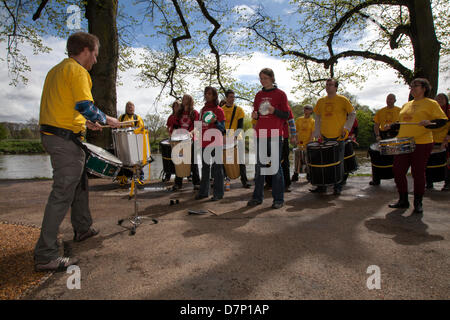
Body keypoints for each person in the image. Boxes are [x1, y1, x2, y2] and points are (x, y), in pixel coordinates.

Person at [35, 32, 120, 272]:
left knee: (79, 185)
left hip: (58, 135)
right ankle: (45, 255)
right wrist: (107, 119)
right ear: (85, 50)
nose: (95, 60)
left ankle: (82, 228)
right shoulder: (79, 71)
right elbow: (85, 106)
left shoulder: (56, 70)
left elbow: (68, 106)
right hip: (64, 141)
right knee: (62, 194)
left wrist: (86, 123)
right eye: (95, 54)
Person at [387, 78, 448, 214]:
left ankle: (418, 202)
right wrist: (392, 126)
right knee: (397, 170)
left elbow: (442, 120)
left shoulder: (431, 103)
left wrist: (430, 122)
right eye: (411, 86)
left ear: (424, 88)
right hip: (403, 142)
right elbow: (401, 123)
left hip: (421, 142)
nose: (412, 88)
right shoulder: (406, 105)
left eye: (416, 86)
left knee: (418, 172)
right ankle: (403, 200)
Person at [247, 68, 290, 209]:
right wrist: (255, 116)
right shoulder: (258, 95)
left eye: (265, 78)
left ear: (272, 78)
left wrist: (274, 111)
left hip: (276, 134)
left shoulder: (280, 94)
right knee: (259, 167)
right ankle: (257, 197)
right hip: (261, 134)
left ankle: (278, 199)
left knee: (275, 168)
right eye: (260, 78)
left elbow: (286, 115)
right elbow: (257, 113)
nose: (262, 80)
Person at [310, 78, 356, 195]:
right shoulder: (320, 101)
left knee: (338, 163)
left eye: (331, 84)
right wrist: (317, 132)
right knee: (323, 163)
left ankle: (337, 187)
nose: (328, 86)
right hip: (324, 137)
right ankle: (322, 186)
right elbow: (318, 117)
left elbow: (352, 114)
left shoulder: (342, 100)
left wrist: (346, 128)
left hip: (338, 137)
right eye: (327, 84)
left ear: (336, 87)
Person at [195, 86, 226, 201]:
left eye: (209, 93)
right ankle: (204, 193)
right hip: (204, 143)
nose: (207, 95)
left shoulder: (219, 110)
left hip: (216, 142)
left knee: (217, 169)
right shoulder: (202, 110)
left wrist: (216, 121)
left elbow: (223, 129)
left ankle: (218, 194)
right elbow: (199, 126)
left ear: (214, 96)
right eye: (205, 93)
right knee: (205, 168)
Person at [222, 89, 251, 189]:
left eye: (233, 97)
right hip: (225, 137)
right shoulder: (221, 110)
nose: (232, 99)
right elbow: (220, 126)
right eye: (230, 97)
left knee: (241, 160)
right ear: (226, 98)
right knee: (225, 160)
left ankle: (244, 180)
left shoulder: (239, 110)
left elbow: (240, 126)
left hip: (237, 137)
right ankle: (226, 181)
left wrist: (234, 137)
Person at [370, 94, 401, 185]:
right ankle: (376, 179)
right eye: (388, 99)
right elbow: (376, 125)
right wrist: (377, 135)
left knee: (396, 159)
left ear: (395, 100)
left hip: (395, 135)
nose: (389, 100)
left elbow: (402, 124)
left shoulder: (400, 111)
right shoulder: (381, 111)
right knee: (378, 157)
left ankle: (398, 180)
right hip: (383, 135)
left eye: (391, 99)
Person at [171, 94, 201, 191]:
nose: (184, 100)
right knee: (179, 161)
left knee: (193, 161)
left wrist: (190, 133)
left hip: (192, 139)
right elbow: (175, 126)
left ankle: (197, 183)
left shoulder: (195, 113)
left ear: (190, 100)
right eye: (183, 98)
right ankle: (178, 183)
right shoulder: (179, 113)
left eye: (186, 98)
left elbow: (197, 127)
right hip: (180, 140)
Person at [115, 101, 146, 184]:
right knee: (123, 160)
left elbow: (142, 129)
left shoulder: (137, 118)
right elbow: (117, 129)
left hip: (134, 142)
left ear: (134, 108)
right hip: (124, 143)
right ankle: (124, 178)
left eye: (132, 106)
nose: (130, 107)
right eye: (128, 106)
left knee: (138, 161)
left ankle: (140, 177)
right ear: (126, 108)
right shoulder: (121, 118)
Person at [426, 93, 450, 190]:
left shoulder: (449, 110)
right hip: (431, 140)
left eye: (441, 98)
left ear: (446, 100)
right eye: (437, 98)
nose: (439, 99)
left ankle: (447, 183)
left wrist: (447, 137)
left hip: (446, 140)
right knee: (429, 162)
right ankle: (429, 182)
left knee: (447, 162)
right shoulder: (430, 111)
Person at [292, 105, 315, 182]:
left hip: (308, 143)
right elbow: (296, 131)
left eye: (307, 109)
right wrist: (295, 138)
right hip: (300, 142)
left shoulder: (312, 121)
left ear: (311, 111)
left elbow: (313, 132)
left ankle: (309, 175)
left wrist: (310, 141)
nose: (305, 110)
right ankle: (296, 174)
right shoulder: (299, 119)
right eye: (304, 108)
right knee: (298, 159)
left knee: (307, 160)